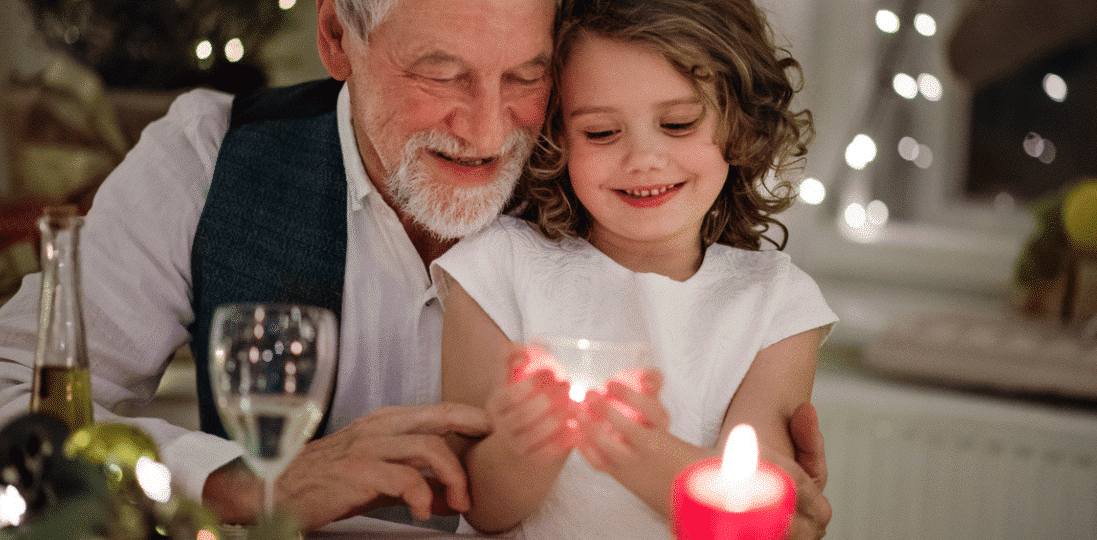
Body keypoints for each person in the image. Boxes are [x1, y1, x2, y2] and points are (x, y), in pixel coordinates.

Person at [0, 0, 832, 535]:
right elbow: (10, 402)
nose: (483, 129)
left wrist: (738, 491)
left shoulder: (612, 166)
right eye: (439, 74)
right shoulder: (208, 162)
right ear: (337, 37)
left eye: (525, 77)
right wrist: (235, 483)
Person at [433, 0, 837, 538]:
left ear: (739, 124)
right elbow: (478, 504)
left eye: (678, 123)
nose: (644, 158)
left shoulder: (776, 304)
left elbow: (752, 514)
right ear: (556, 140)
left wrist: (635, 450)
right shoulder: (495, 268)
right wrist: (524, 446)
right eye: (601, 132)